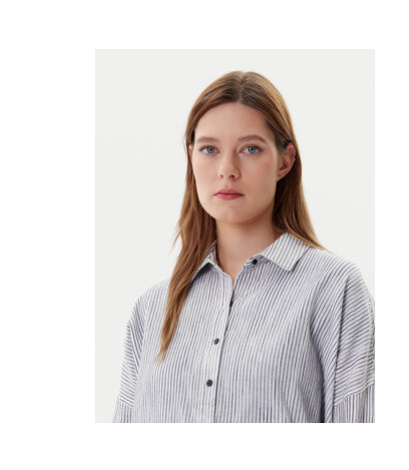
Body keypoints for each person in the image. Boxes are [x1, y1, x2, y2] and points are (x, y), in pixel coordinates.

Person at [112, 71, 375, 423]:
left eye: (250, 149)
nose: (227, 169)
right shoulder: (152, 308)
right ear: (191, 156)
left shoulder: (334, 288)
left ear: (285, 160)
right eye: (209, 149)